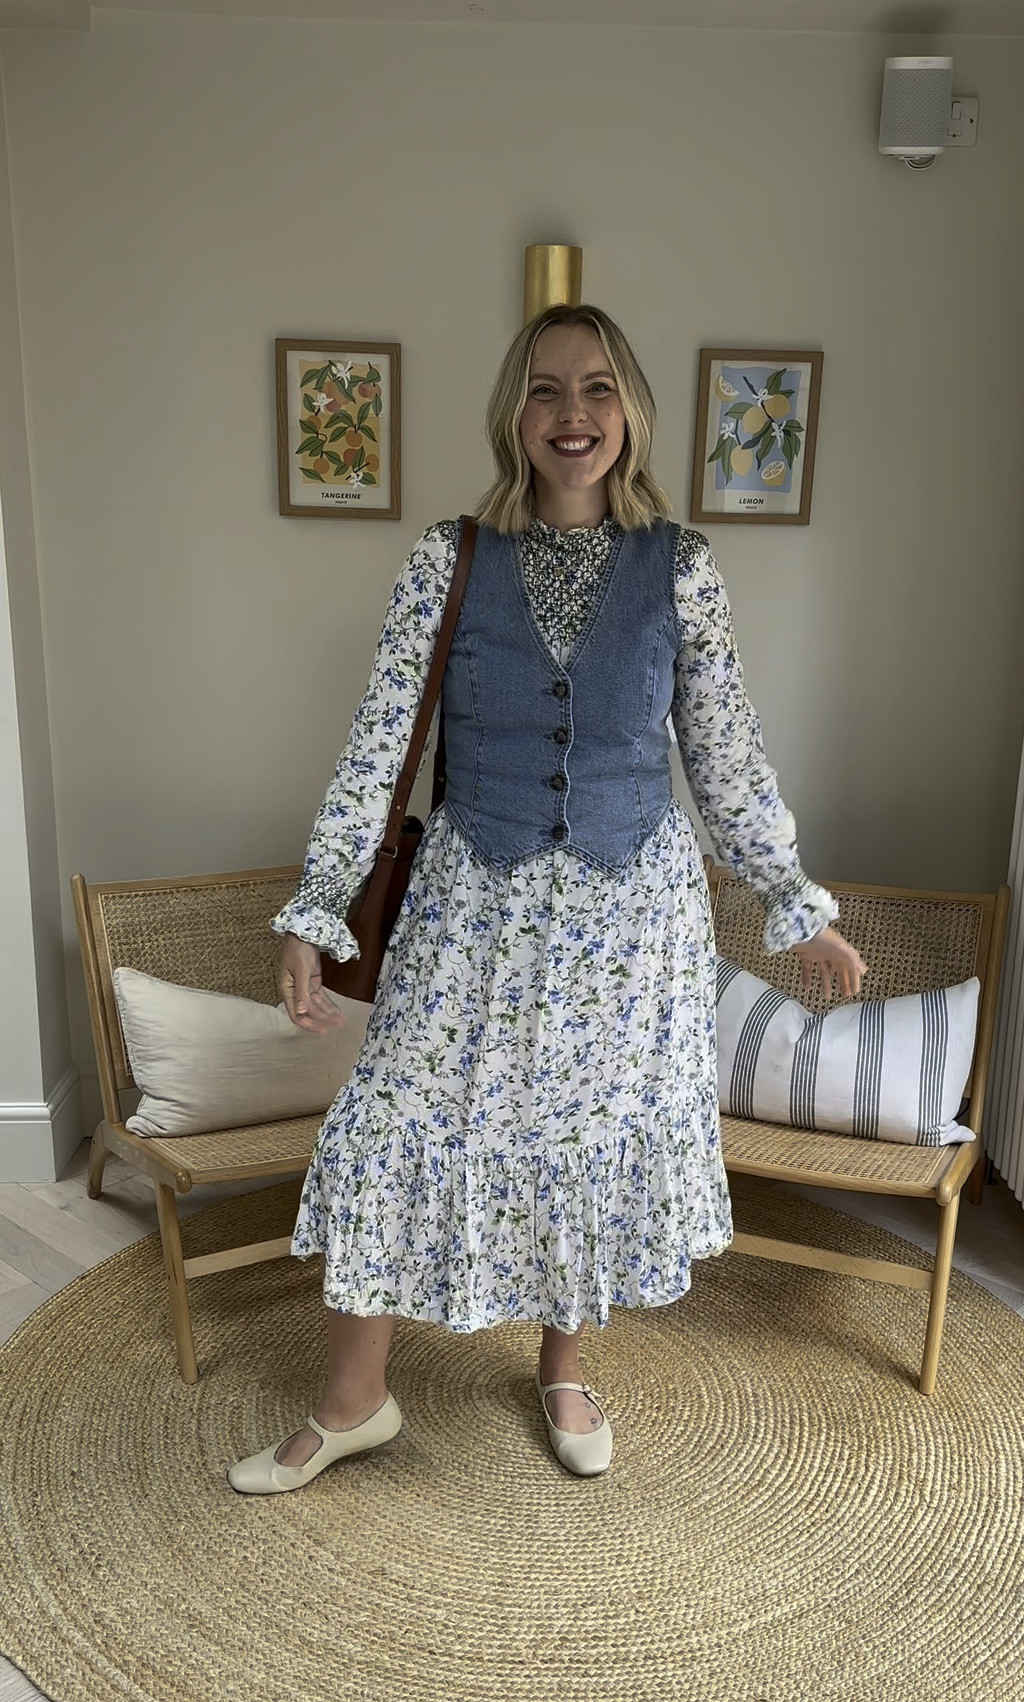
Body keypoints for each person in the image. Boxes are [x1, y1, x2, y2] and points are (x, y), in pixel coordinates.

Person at [227, 303, 866, 1496]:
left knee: (591, 1147)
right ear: (511, 414)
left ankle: (563, 1369)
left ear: (631, 412)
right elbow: (378, 749)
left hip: (634, 925)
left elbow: (726, 756)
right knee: (385, 1131)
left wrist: (793, 899)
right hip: (477, 912)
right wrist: (317, 908)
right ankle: (353, 1399)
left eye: (597, 389)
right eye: (545, 390)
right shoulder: (450, 556)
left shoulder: (682, 567)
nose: (572, 416)